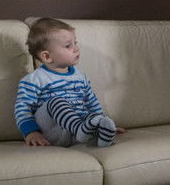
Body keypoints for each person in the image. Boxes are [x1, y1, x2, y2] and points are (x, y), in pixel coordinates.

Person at [14, 18, 122, 147]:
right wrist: (31, 132)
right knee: (56, 102)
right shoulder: (33, 80)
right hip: (51, 132)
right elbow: (23, 109)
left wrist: (101, 121)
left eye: (75, 43)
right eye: (68, 46)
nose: (76, 49)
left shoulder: (80, 76)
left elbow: (91, 102)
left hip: (78, 133)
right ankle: (80, 129)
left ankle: (101, 134)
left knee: (92, 116)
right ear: (47, 56)